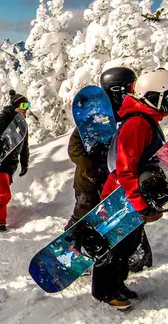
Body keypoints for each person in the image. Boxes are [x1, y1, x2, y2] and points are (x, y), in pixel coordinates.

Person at [93, 69, 168, 310]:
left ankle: (118, 284)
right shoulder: (137, 124)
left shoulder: (147, 120)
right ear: (154, 96)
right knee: (115, 245)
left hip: (132, 196)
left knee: (129, 244)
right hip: (121, 196)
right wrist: (140, 204)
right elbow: (124, 169)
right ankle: (106, 291)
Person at [64, 67, 137, 231]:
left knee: (106, 220)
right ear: (117, 89)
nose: (133, 92)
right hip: (88, 182)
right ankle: (71, 240)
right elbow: (74, 148)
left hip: (111, 181)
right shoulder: (95, 117)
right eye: (131, 87)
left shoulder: (128, 116)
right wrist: (91, 169)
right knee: (83, 216)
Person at [0, 90, 30, 232]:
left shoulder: (22, 124)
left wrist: (24, 162)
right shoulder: (1, 120)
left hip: (11, 164)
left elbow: (24, 145)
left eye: (27, 105)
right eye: (22, 105)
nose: (25, 108)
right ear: (14, 105)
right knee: (4, 193)